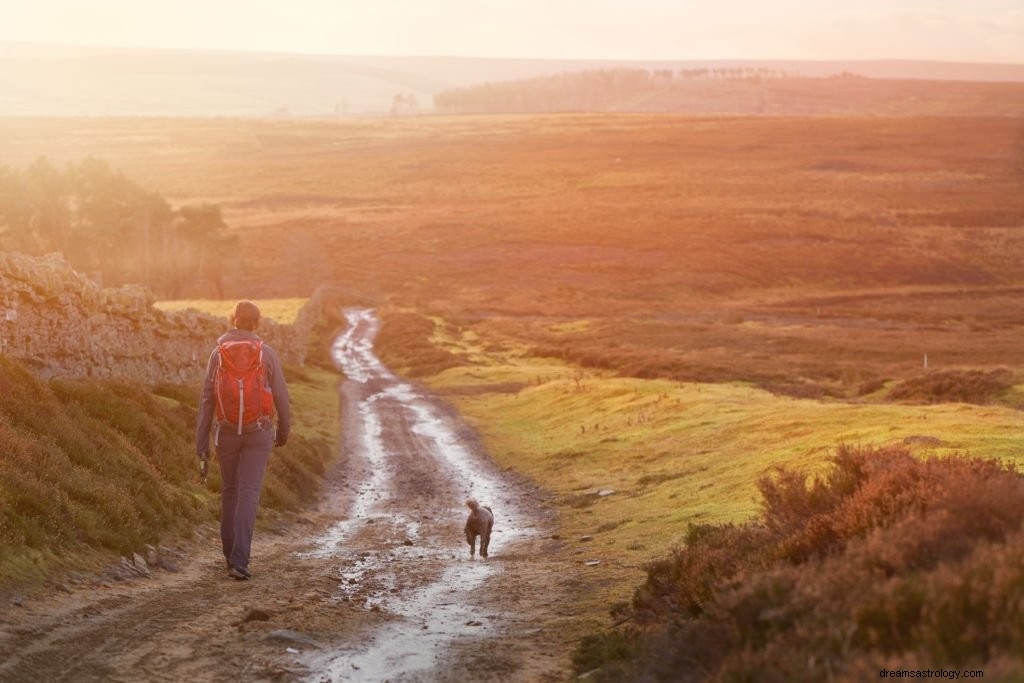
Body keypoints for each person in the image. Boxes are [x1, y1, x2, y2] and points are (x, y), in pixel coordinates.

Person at [196, 300, 291, 580]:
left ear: (233, 319)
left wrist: (201, 442)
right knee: (248, 493)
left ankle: (229, 556)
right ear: (256, 323)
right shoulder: (266, 354)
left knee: (230, 491)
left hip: (225, 433)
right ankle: (240, 561)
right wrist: (283, 431)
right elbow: (281, 396)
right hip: (258, 432)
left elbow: (206, 400)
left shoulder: (218, 354)